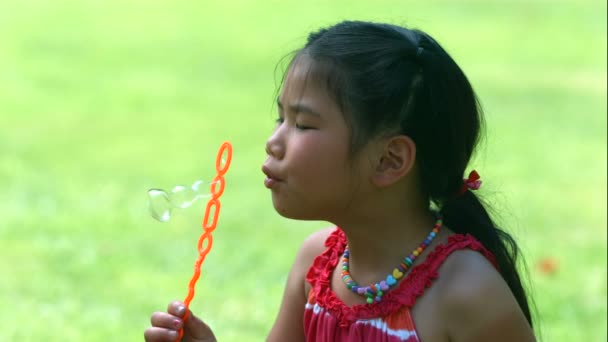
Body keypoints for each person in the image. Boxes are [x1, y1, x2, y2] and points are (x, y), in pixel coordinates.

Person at [144, 20, 536, 342]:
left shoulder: (467, 293)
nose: (273, 142)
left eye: (303, 124)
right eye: (281, 118)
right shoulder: (317, 265)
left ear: (389, 160)